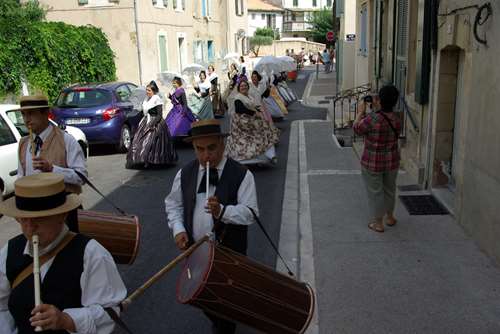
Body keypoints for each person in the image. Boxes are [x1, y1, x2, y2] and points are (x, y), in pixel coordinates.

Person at [0, 173, 126, 334]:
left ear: (62, 215)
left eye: (38, 219)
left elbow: (110, 313)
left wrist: (67, 320)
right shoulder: (10, 250)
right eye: (23, 219)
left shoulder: (91, 253)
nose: (30, 228)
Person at [165, 119, 258, 334]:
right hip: (195, 251)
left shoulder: (243, 175)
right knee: (202, 296)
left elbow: (250, 214)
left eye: (211, 148)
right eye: (199, 149)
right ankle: (220, 322)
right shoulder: (185, 173)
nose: (206, 155)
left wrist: (222, 212)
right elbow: (173, 204)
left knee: (227, 299)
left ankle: (225, 326)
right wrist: (178, 229)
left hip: (229, 252)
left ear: (222, 144)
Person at [16, 95, 87, 233]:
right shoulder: (23, 144)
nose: (26, 119)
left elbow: (81, 177)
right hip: (34, 212)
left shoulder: (66, 140)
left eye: (31, 113)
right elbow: (21, 177)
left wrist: (51, 169)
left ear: (45, 114)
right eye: (23, 114)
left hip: (64, 211)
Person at [353, 85, 401, 233]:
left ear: (379, 99)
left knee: (375, 191)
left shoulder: (372, 119)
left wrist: (360, 112)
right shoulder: (397, 119)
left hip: (372, 161)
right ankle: (390, 217)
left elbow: (357, 129)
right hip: (392, 160)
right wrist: (377, 107)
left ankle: (378, 223)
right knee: (390, 189)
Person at [226, 80, 280, 164]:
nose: (244, 87)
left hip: (250, 118)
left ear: (248, 87)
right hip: (242, 121)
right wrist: (254, 112)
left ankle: (269, 155)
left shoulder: (249, 96)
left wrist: (257, 109)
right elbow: (239, 109)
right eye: (242, 86)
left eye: (245, 86)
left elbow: (251, 106)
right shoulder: (238, 98)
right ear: (239, 88)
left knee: (265, 129)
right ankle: (267, 155)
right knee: (261, 131)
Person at [126, 80, 177, 169]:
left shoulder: (157, 99)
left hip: (156, 122)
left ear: (153, 91)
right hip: (146, 121)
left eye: (149, 90)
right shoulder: (146, 99)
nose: (147, 92)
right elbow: (144, 112)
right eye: (147, 90)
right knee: (139, 141)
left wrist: (152, 124)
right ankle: (144, 160)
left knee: (151, 142)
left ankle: (153, 160)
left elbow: (159, 115)